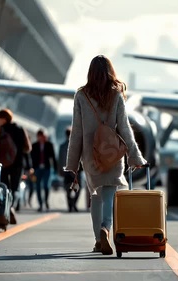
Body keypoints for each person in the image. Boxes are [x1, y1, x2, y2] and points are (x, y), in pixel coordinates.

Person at [65, 55, 146, 255]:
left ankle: (98, 240)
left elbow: (76, 132)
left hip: (90, 155)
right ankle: (106, 228)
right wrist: (135, 156)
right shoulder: (116, 94)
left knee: (96, 196)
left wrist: (72, 164)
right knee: (110, 193)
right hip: (112, 153)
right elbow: (125, 128)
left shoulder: (81, 96)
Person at [0, 108, 31, 221]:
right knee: (14, 188)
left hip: (3, 163)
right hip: (18, 163)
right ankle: (12, 207)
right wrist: (29, 165)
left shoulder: (0, 130)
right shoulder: (20, 129)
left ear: (4, 119)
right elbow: (27, 148)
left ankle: (7, 208)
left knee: (5, 187)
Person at [31, 129, 57, 212]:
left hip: (47, 168)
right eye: (40, 136)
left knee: (46, 185)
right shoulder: (34, 146)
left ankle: (46, 200)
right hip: (37, 168)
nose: (42, 138)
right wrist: (31, 168)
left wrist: (55, 169)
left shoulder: (49, 145)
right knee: (38, 186)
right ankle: (40, 204)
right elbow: (31, 158)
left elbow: (53, 157)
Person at [58, 127, 82, 212]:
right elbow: (60, 159)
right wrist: (60, 170)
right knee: (68, 188)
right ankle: (70, 205)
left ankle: (73, 204)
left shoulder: (78, 145)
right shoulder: (62, 146)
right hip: (67, 171)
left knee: (77, 188)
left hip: (76, 171)